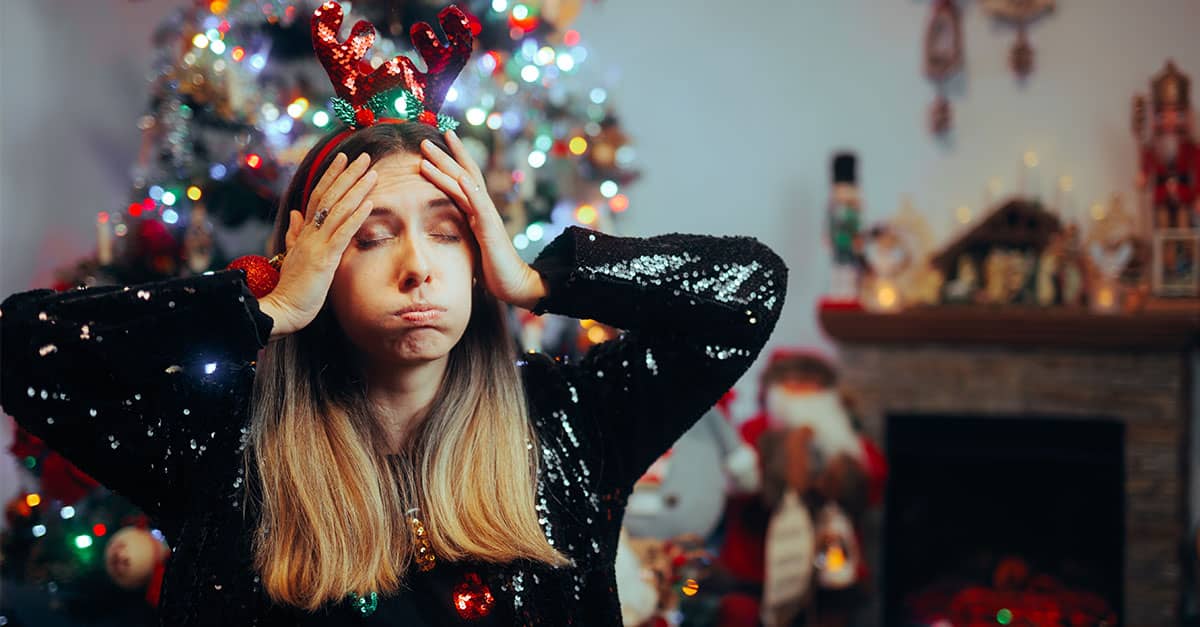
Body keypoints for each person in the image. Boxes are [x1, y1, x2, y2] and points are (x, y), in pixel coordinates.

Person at [0, 4, 788, 625]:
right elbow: (17, 347)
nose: (417, 266)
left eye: (448, 234)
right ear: (318, 266)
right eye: (370, 239)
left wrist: (545, 278)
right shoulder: (223, 443)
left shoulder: (571, 426)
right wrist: (258, 300)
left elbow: (750, 289)